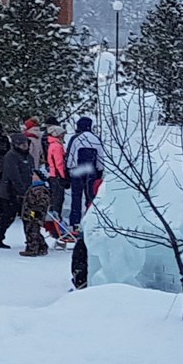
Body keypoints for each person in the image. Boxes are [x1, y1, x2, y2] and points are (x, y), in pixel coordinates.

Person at [67, 115, 104, 289]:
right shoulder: (96, 139)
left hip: (78, 170)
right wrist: (99, 171)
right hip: (92, 170)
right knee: (90, 199)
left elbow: (72, 155)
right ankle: (88, 221)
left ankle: (75, 222)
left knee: (76, 196)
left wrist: (70, 169)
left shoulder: (77, 138)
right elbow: (102, 158)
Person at [0, 132, 39, 252]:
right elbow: (13, 176)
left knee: (30, 217)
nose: (25, 146)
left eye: (26, 144)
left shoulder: (29, 157)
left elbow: (32, 173)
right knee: (8, 216)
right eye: (22, 144)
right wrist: (21, 190)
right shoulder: (10, 156)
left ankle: (31, 240)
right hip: (10, 193)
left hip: (27, 192)